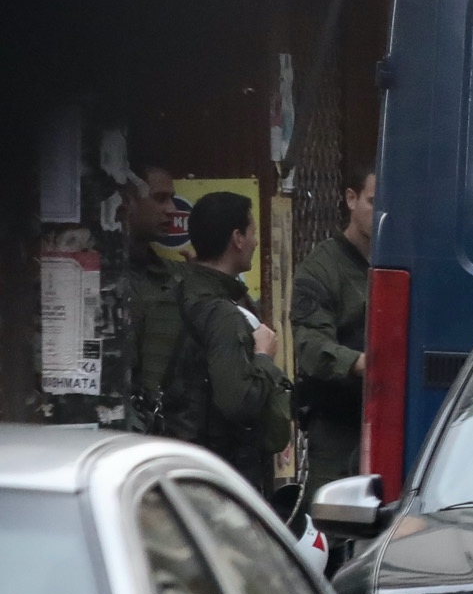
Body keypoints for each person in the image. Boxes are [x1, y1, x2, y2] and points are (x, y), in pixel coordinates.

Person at [168, 190, 291, 496]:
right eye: (252, 232)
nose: (255, 242)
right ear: (237, 238)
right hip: (224, 474)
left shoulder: (187, 289)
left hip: (191, 462)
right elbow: (239, 402)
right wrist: (264, 356)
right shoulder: (221, 313)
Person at [291, 168, 375, 500]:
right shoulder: (322, 268)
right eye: (372, 201)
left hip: (393, 420)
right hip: (339, 422)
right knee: (331, 526)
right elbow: (311, 346)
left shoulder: (402, 258)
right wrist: (361, 363)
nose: (380, 212)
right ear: (351, 199)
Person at [115, 165, 186, 436]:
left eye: (171, 199)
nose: (170, 209)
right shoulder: (106, 275)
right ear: (128, 201)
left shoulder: (172, 277)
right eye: (159, 198)